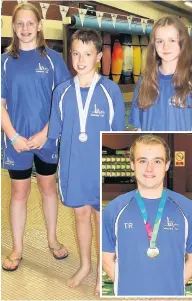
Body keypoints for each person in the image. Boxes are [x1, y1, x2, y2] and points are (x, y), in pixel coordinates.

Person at [48, 29, 125, 295]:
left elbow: (118, 137)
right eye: (76, 54)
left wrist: (116, 177)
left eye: (88, 54)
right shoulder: (62, 91)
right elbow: (54, 132)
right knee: (80, 215)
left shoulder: (110, 91)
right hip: (73, 168)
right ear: (70, 55)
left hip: (101, 169)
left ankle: (105, 269)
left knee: (102, 219)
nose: (81, 60)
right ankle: (84, 265)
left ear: (99, 56)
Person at [1, 3, 71, 271]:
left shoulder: (53, 60)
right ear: (14, 27)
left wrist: (47, 132)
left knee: (48, 188)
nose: (26, 28)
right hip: (16, 140)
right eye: (20, 24)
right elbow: (0, 105)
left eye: (31, 23)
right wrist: (13, 135)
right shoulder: (5, 62)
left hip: (47, 139)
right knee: (19, 192)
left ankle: (52, 239)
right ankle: (17, 248)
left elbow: (63, 101)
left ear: (40, 25)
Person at [102, 134, 192, 296]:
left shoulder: (187, 209)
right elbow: (107, 258)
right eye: (143, 161)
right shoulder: (113, 209)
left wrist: (171, 292)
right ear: (132, 164)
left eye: (157, 161)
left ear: (167, 165)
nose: (149, 169)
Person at [129, 16, 192, 131]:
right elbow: (139, 129)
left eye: (172, 40)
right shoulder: (144, 82)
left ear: (182, 43)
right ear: (154, 45)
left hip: (183, 148)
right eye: (160, 41)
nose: (165, 46)